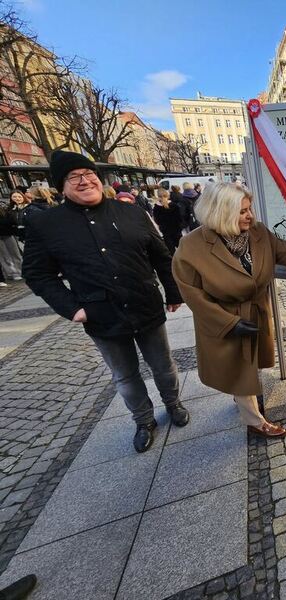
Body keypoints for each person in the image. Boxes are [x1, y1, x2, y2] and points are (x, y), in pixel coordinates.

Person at [22, 151, 189, 453]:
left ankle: (174, 403)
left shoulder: (131, 211)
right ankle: (143, 420)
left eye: (89, 173)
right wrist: (72, 307)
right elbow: (37, 273)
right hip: (101, 315)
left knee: (163, 365)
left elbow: (160, 254)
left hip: (144, 304)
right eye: (75, 176)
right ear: (62, 186)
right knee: (125, 375)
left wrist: (173, 291)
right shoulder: (47, 224)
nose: (85, 180)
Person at [172, 183, 286, 438]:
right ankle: (256, 422)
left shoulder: (256, 232)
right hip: (223, 319)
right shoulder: (191, 247)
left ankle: (244, 398)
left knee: (249, 367)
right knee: (240, 372)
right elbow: (193, 295)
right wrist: (229, 323)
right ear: (222, 213)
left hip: (255, 311)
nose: (250, 216)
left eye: (250, 209)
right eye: (243, 211)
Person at [152, 188, 182, 255]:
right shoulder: (175, 206)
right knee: (182, 250)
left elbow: (157, 221)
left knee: (171, 252)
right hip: (177, 231)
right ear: (168, 195)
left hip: (166, 232)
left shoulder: (156, 208)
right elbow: (180, 218)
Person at [0, 200, 23, 281]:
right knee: (3, 256)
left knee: (15, 253)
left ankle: (21, 271)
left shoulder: (4, 205)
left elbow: (11, 219)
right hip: (5, 232)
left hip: (8, 233)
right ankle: (11, 273)